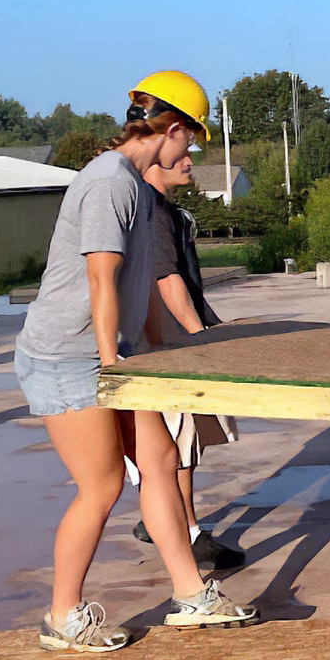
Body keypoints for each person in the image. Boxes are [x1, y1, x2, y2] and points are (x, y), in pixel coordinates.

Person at [14, 70, 258, 653]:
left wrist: (172, 351)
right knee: (99, 488)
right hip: (69, 357)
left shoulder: (141, 192)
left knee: (163, 458)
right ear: (171, 130)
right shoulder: (109, 185)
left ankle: (191, 595)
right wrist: (111, 362)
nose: (190, 154)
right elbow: (101, 277)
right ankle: (63, 615)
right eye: (191, 142)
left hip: (111, 355)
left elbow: (142, 287)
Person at [127, 149, 244, 570]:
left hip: (162, 341)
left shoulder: (158, 208)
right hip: (164, 346)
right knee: (180, 445)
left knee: (177, 444)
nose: (190, 162)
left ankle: (160, 519)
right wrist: (198, 339)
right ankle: (187, 532)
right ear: (155, 158)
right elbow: (167, 279)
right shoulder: (150, 211)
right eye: (182, 155)